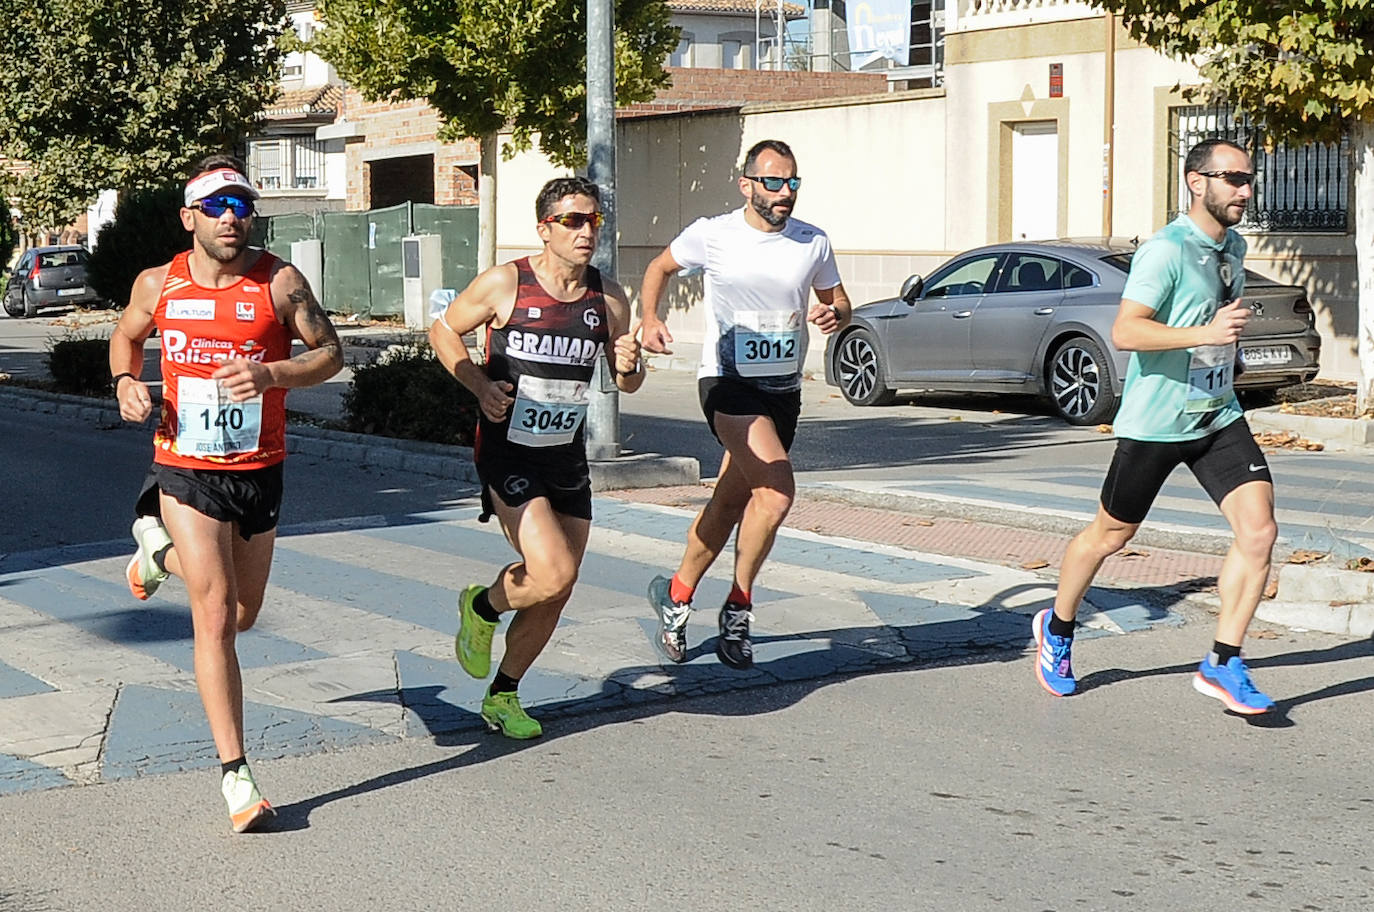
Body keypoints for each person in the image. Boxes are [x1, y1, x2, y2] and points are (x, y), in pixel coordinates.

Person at [109, 154, 344, 830]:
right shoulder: (159, 283)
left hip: (259, 467)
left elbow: (330, 354)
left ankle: (155, 554)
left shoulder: (280, 282)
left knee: (243, 612)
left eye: (241, 205)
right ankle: (236, 776)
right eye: (216, 207)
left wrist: (272, 375)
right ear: (190, 218)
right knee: (213, 615)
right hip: (184, 465)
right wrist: (126, 382)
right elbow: (124, 338)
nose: (231, 217)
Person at [1033, 138, 1278, 715]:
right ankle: (1058, 628)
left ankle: (1223, 661)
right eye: (1233, 178)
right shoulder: (1166, 251)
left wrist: (1231, 355)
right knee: (1110, 536)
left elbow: (1217, 321)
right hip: (1157, 421)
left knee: (1259, 532)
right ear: (1196, 181)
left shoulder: (1233, 246)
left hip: (1216, 413)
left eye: (1249, 179)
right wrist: (1205, 335)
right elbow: (1127, 331)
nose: (1245, 190)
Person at [429, 176, 644, 739]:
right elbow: (443, 331)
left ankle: (504, 694)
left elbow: (628, 380)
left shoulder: (609, 298)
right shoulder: (507, 283)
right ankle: (482, 608)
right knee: (553, 571)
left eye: (593, 220)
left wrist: (630, 362)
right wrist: (479, 385)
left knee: (557, 588)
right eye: (572, 220)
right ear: (545, 229)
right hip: (508, 450)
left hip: (564, 455)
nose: (586, 231)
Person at [638, 139, 851, 669]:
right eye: (773, 182)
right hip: (727, 383)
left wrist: (837, 314)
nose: (785, 193)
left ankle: (675, 595)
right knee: (775, 494)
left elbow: (838, 300)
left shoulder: (813, 242)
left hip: (782, 391)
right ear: (747, 184)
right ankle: (739, 607)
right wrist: (650, 318)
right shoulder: (713, 234)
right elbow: (659, 268)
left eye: (792, 183)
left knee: (731, 503)